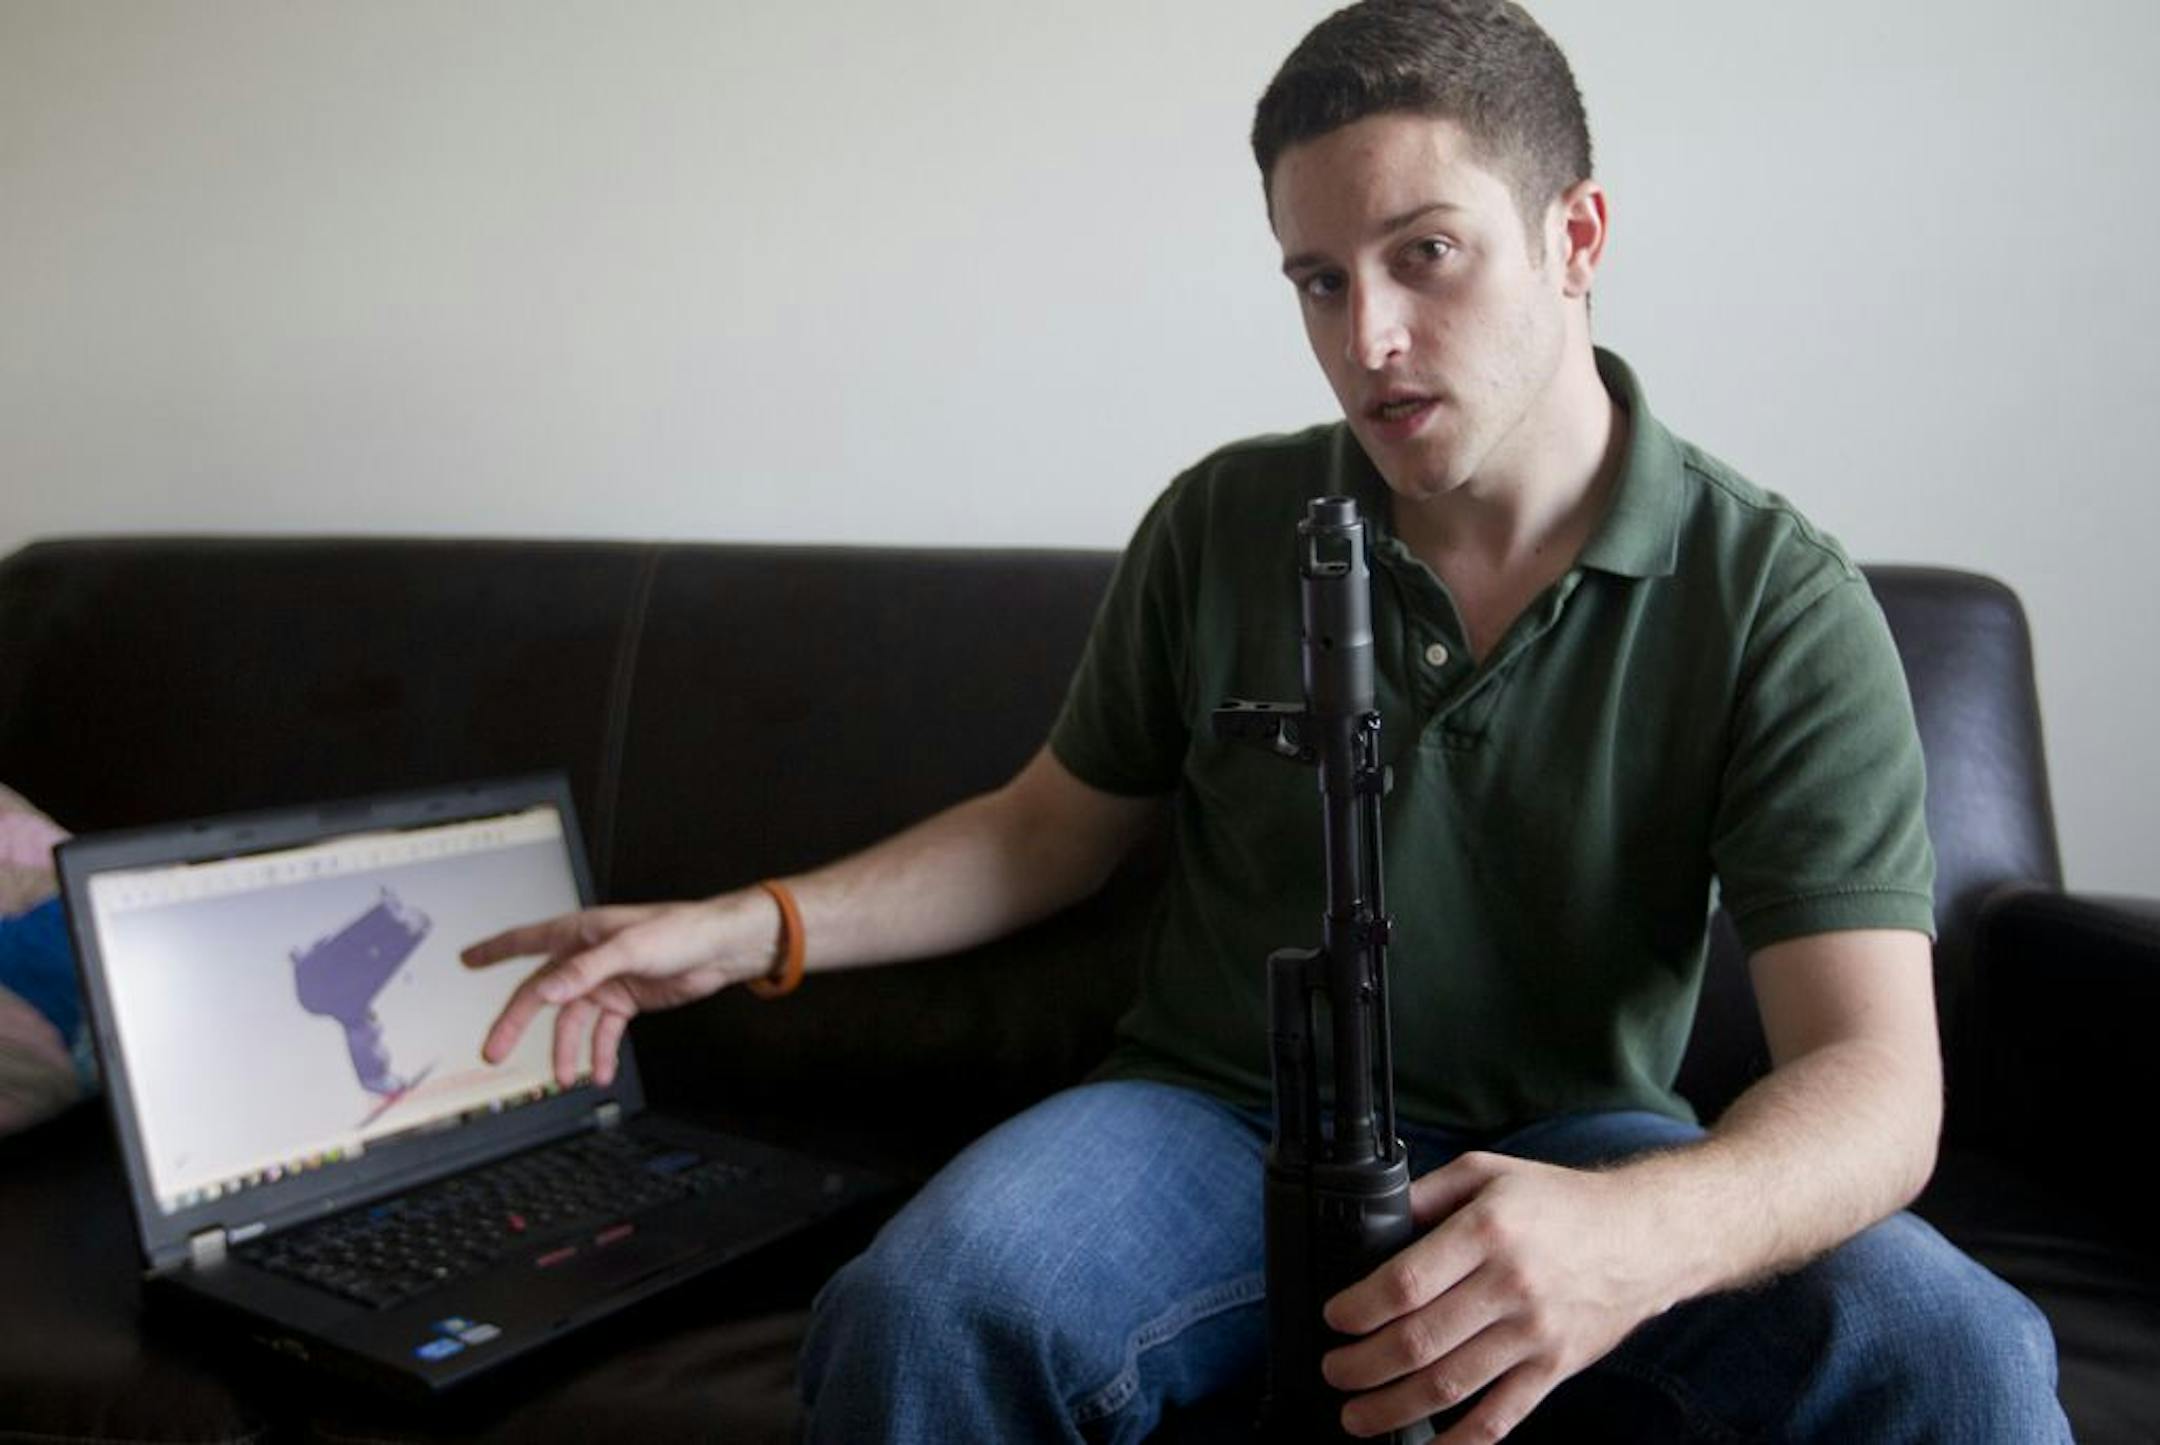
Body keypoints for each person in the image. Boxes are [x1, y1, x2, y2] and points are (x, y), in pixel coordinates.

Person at [462, 2, 2070, 1439]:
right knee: (920, 1310)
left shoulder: (1776, 596)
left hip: (1573, 1144)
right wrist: (746, 927)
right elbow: (1045, 830)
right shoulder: (1223, 519)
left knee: (1961, 1356)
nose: (1366, 342)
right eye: (1319, 279)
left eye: (1425, 253)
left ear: (1575, 235)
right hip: (1214, 1121)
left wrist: (1639, 1232)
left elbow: (1875, 1080)